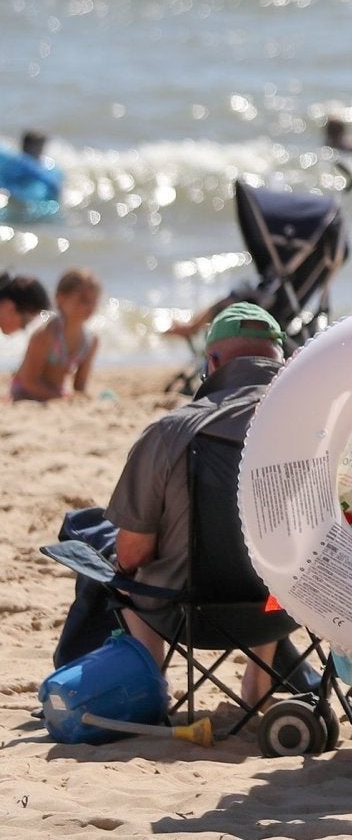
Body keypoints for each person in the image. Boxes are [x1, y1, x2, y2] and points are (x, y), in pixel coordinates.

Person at [105, 302, 288, 699]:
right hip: (283, 612)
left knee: (118, 562)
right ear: (281, 360)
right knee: (280, 561)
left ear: (213, 361)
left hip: (184, 615)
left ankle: (150, 682)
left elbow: (132, 553)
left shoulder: (172, 431)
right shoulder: (316, 431)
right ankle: (259, 679)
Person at [12, 268, 99, 401]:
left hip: (56, 393)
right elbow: (28, 381)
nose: (89, 306)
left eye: (94, 300)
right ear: (60, 298)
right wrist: (60, 397)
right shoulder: (45, 334)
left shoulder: (90, 340)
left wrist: (78, 397)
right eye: (83, 299)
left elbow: (79, 384)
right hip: (25, 392)